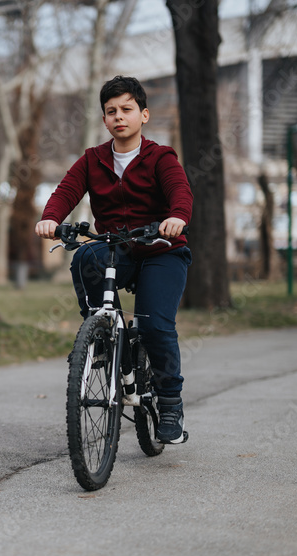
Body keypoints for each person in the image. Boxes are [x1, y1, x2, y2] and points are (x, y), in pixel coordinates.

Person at [34, 75, 192, 444]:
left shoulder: (160, 157)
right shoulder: (93, 160)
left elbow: (180, 191)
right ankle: (103, 332)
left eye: (127, 109)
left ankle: (170, 403)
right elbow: (65, 191)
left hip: (161, 250)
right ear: (104, 120)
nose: (119, 116)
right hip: (115, 247)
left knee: (154, 327)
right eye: (111, 111)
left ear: (144, 115)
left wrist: (177, 217)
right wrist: (50, 218)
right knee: (85, 255)